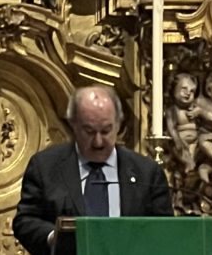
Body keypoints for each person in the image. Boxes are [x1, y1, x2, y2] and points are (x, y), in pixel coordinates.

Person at [13, 86, 173, 255]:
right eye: (89, 131)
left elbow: (165, 230)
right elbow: (25, 220)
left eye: (106, 131)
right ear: (73, 124)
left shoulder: (147, 172)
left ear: (118, 124)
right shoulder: (45, 166)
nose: (98, 142)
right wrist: (54, 237)